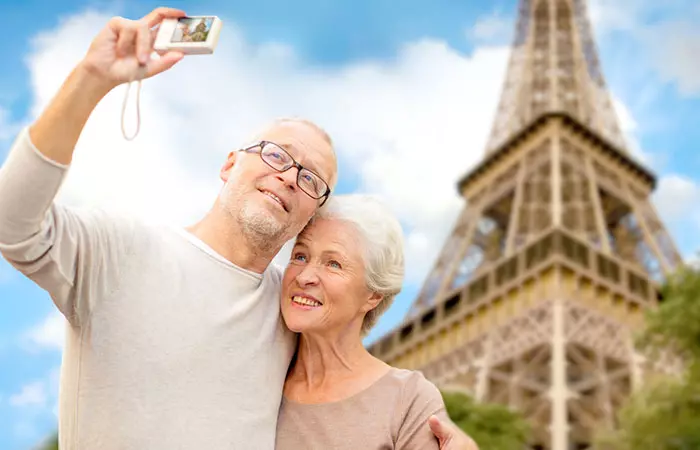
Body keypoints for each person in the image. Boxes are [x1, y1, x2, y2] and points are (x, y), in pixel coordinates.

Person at [0, 6, 478, 450]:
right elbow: (12, 223)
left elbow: (352, 386)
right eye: (275, 153)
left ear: (310, 215)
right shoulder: (119, 250)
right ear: (230, 164)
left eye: (310, 178)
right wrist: (90, 81)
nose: (288, 175)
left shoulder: (291, 307)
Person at [275, 194, 453, 449]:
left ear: (373, 295)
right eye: (300, 256)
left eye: (333, 263)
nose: (305, 277)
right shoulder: (261, 377)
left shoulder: (409, 401)